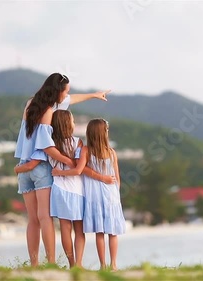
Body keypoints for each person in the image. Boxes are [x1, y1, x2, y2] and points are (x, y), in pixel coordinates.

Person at [14, 73, 111, 266]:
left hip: (24, 167)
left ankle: (34, 265)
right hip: (40, 166)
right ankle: (50, 263)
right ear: (57, 92)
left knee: (33, 220)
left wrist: (94, 94)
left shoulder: (31, 104)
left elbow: (71, 99)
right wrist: (69, 161)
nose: (67, 94)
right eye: (65, 90)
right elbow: (46, 146)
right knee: (45, 218)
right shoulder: (49, 112)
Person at [15, 110, 98, 268]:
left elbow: (33, 163)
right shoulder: (77, 142)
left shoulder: (49, 144)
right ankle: (78, 264)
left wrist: (18, 169)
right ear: (68, 124)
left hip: (59, 190)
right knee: (79, 231)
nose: (74, 123)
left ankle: (70, 262)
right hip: (77, 190)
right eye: (73, 121)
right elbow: (78, 165)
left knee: (65, 230)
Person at [53, 118, 126, 271]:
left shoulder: (86, 150)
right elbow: (117, 176)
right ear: (103, 133)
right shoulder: (112, 152)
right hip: (112, 195)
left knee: (100, 232)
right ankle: (114, 264)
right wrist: (116, 193)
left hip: (95, 197)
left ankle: (103, 265)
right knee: (113, 232)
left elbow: (81, 169)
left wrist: (60, 172)